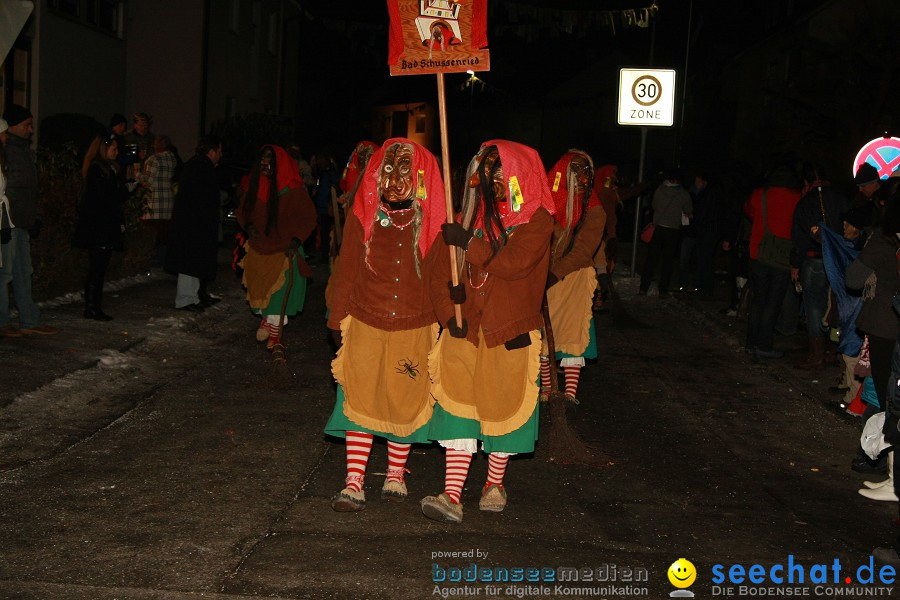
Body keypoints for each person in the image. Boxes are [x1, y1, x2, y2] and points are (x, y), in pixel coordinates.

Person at [421, 140, 555, 523]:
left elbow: (513, 264)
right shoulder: (466, 217)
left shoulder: (537, 220)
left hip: (508, 333)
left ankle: (493, 483)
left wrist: (470, 244)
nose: (491, 179)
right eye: (486, 171)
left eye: (501, 171)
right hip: (465, 331)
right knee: (458, 408)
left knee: (504, 408)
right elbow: (436, 274)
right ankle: (451, 495)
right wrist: (449, 315)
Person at [323, 138, 445, 512]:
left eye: (403, 170)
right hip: (365, 320)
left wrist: (451, 318)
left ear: (421, 177)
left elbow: (442, 275)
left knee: (403, 399)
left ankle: (395, 473)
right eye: (387, 170)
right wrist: (335, 312)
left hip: (415, 323)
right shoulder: (364, 216)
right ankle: (354, 480)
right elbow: (346, 267)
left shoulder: (435, 222)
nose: (393, 179)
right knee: (359, 396)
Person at [236, 145, 317, 349]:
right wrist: (249, 226)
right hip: (260, 248)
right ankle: (267, 321)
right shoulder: (256, 186)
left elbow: (308, 218)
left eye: (269, 160)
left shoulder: (293, 190)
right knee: (261, 290)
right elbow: (244, 211)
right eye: (262, 160)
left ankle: (275, 332)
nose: (264, 164)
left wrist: (296, 241)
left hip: (284, 249)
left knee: (279, 293)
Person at [541, 150, 605, 402]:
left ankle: (569, 392)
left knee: (572, 332)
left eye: (585, 171)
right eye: (574, 171)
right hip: (548, 277)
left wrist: (555, 273)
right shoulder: (552, 206)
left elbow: (583, 250)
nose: (580, 177)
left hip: (575, 277)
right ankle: (547, 389)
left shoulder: (595, 210)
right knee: (544, 333)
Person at [846, 180, 900, 474]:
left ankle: (877, 457)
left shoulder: (884, 239)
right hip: (892, 323)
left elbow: (854, 279)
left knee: (886, 394)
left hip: (886, 325)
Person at [0, 104, 58, 337]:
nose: (31, 129)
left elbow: (27, 190)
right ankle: (3, 322)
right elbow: (9, 189)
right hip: (9, 222)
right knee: (6, 274)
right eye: (27, 124)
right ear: (12, 126)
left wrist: (32, 216)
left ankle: (29, 319)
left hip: (21, 221)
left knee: (24, 271)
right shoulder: (7, 151)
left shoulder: (22, 151)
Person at [790, 164, 850, 369]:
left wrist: (795, 264)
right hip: (838, 260)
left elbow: (798, 236)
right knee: (836, 305)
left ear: (807, 182)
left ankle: (816, 355)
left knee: (814, 306)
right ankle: (833, 351)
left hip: (814, 259)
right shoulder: (842, 200)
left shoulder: (806, 203)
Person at [742, 165, 802, 358]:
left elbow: (748, 212)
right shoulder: (797, 197)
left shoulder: (760, 193)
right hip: (782, 256)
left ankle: (751, 342)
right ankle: (764, 344)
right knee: (773, 302)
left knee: (758, 299)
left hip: (758, 252)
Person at [164, 135, 224, 312]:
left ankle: (193, 297)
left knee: (193, 262)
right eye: (219, 151)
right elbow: (201, 198)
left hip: (194, 223)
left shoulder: (198, 165)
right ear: (212, 152)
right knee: (189, 263)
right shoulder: (200, 167)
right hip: (193, 224)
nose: (221, 155)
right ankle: (185, 299)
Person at [72, 136, 127, 320]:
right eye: (114, 149)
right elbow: (104, 198)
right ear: (104, 149)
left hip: (103, 225)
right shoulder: (98, 170)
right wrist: (123, 190)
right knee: (97, 268)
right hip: (98, 227)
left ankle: (94, 305)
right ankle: (92, 306)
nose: (116, 152)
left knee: (100, 267)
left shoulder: (108, 169)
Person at [639, 169, 693, 298]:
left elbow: (654, 205)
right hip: (673, 229)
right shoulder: (684, 194)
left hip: (658, 228)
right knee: (668, 261)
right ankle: (663, 290)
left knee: (651, 259)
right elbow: (689, 210)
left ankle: (643, 287)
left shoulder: (660, 189)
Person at [139, 135, 179, 268]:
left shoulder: (153, 159)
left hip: (154, 202)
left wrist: (137, 174)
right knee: (164, 234)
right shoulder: (172, 158)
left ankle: (153, 262)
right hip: (167, 202)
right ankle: (164, 261)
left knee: (153, 234)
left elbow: (147, 182)